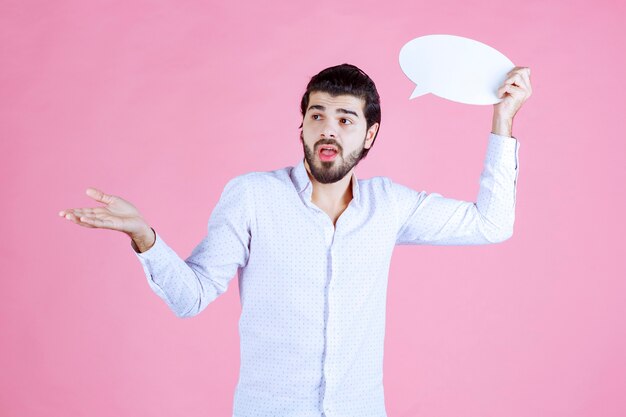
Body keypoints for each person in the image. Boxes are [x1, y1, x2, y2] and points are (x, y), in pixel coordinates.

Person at [59, 63, 532, 417]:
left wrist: (503, 118)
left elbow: (491, 224)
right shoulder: (251, 196)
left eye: (346, 120)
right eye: (317, 115)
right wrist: (145, 236)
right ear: (301, 125)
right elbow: (192, 297)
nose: (328, 128)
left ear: (370, 135)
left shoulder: (389, 205)